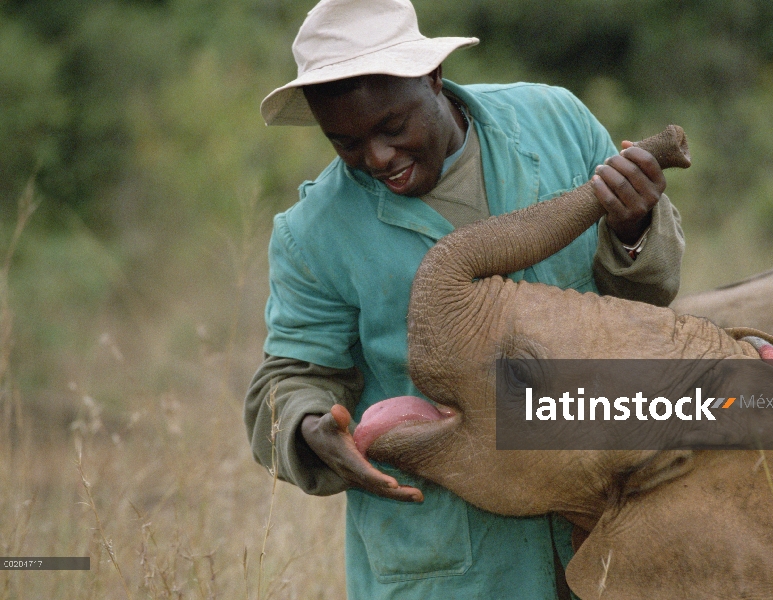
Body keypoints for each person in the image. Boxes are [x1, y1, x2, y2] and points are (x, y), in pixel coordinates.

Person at [244, 0, 685, 598]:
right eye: (345, 142)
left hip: (605, 512)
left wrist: (633, 230)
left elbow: (644, 304)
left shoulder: (555, 122)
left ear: (433, 77)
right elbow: (290, 377)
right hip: (455, 556)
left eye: (392, 128)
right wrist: (306, 429)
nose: (376, 158)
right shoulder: (312, 234)